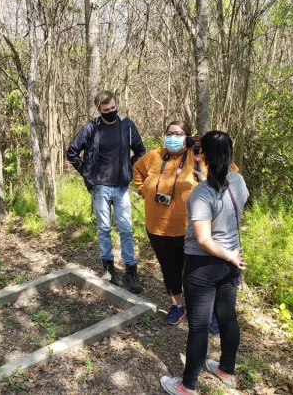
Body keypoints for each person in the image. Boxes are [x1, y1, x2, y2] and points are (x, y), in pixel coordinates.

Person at [160, 131, 249, 394]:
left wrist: (227, 255)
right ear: (230, 154)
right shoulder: (239, 181)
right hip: (231, 262)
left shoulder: (201, 194)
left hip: (205, 265)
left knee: (199, 326)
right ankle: (226, 370)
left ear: (205, 155)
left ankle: (187, 387)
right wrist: (232, 255)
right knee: (228, 318)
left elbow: (203, 239)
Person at [67, 91, 146, 293]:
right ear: (99, 110)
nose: (111, 112)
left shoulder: (127, 126)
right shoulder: (91, 129)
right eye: (106, 110)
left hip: (121, 187)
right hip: (100, 187)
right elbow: (72, 151)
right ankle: (108, 267)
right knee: (103, 228)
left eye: (113, 108)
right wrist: (86, 172)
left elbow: (140, 151)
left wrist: (129, 167)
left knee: (126, 229)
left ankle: (131, 269)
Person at [133, 120, 196, 325]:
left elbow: (229, 169)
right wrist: (143, 190)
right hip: (157, 227)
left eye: (178, 134)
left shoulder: (198, 157)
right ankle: (177, 305)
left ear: (187, 137)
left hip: (189, 229)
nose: (173, 137)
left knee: (194, 271)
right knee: (168, 268)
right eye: (170, 133)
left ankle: (202, 308)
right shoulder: (154, 156)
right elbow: (137, 170)